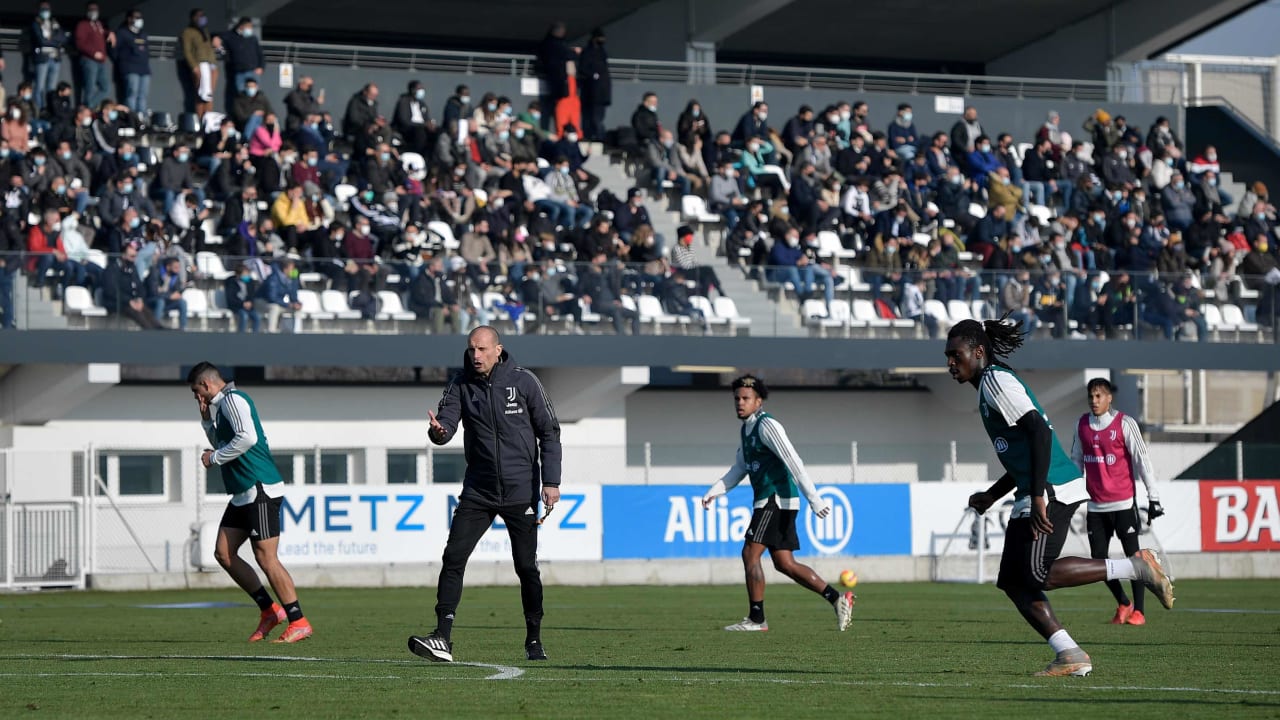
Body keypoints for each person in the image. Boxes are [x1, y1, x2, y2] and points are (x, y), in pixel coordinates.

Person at [945, 319, 1174, 677]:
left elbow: (1039, 431)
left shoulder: (994, 381)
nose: (950, 364)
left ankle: (1136, 567)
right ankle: (1069, 653)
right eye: (947, 356)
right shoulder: (988, 387)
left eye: (955, 355)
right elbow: (1027, 448)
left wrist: (1038, 496)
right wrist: (992, 494)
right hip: (1039, 488)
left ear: (978, 352)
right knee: (1013, 580)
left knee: (1037, 573)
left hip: (1052, 489)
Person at [409, 327, 562, 664]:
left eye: (481, 349)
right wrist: (439, 432)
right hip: (478, 489)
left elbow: (549, 433)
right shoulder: (460, 383)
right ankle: (442, 638)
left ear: (498, 350)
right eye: (471, 349)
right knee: (453, 558)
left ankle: (534, 639)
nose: (475, 355)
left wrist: (550, 481)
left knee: (526, 568)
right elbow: (445, 424)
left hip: (520, 489)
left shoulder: (524, 382)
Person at [701, 375, 855, 633]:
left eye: (746, 398)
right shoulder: (746, 430)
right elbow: (739, 468)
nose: (740, 402)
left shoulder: (767, 425)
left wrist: (814, 499)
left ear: (758, 401)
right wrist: (715, 490)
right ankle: (837, 599)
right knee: (785, 563)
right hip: (773, 501)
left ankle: (757, 619)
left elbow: (793, 461)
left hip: (776, 499)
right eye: (737, 398)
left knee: (750, 552)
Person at [188, 362, 312, 644]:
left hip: (260, 489)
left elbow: (248, 438)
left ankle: (299, 621)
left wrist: (215, 458)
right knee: (224, 553)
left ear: (206, 386)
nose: (198, 398)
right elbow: (223, 440)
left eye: (197, 393)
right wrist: (207, 421)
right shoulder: (221, 408)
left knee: (266, 558)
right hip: (244, 492)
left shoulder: (234, 400)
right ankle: (269, 611)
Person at [1070, 378, 1163, 626]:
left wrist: (1153, 498)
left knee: (1133, 557)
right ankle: (1123, 602)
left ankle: (1140, 611)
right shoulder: (1082, 425)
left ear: (1109, 398)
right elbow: (1076, 461)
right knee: (1098, 560)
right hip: (1095, 506)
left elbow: (1143, 461)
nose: (1094, 400)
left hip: (1122, 504)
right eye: (1091, 396)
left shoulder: (1125, 423)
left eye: (1099, 396)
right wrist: (1070, 494)